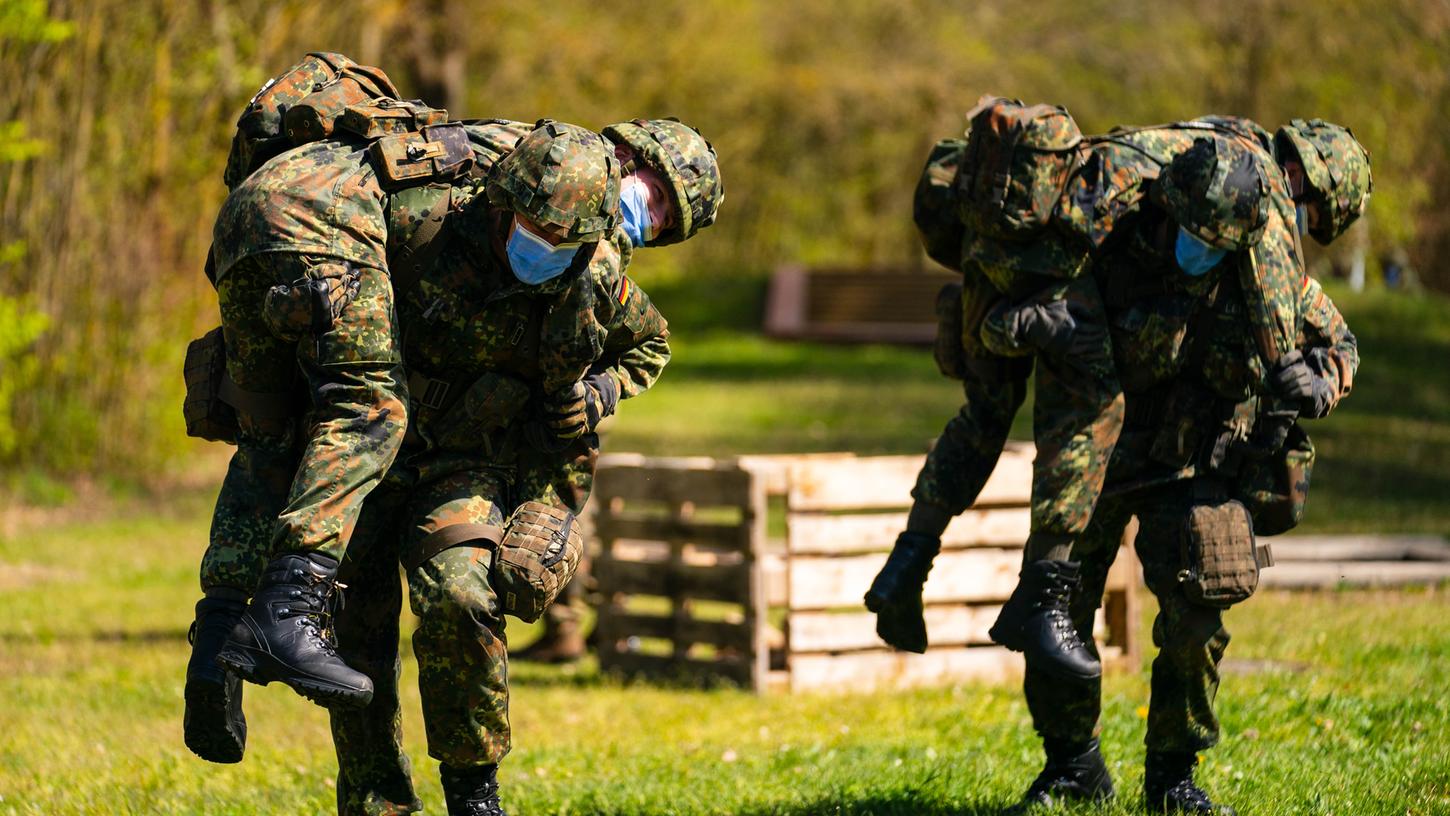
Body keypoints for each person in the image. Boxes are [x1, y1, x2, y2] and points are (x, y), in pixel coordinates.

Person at [866, 111, 1369, 682]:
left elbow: (1334, 339)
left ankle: (908, 563)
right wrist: (1281, 363)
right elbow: (1277, 305)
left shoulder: (1174, 154)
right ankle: (1041, 604)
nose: (1297, 227)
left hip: (1006, 267)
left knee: (983, 416)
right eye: (1310, 218)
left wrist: (1321, 380)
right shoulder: (1244, 187)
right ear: (1305, 182)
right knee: (1094, 403)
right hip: (1053, 299)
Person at [324, 118, 722, 816]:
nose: (647, 220)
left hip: (467, 464)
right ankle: (374, 798)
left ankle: (474, 794)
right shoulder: (426, 221)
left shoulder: (593, 268)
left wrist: (600, 393)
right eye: (652, 198)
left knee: (461, 598)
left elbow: (649, 342)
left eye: (661, 219)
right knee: (354, 632)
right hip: (367, 450)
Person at [1007, 138, 1367, 814]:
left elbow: (1339, 343)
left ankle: (1174, 777)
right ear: (1167, 208)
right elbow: (1011, 307)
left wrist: (1322, 379)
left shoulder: (1261, 269)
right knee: (1055, 608)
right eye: (1191, 233)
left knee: (1202, 606)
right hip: (1100, 455)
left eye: (1216, 241)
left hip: (1196, 458)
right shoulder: (1104, 243)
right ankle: (1072, 765)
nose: (1199, 249)